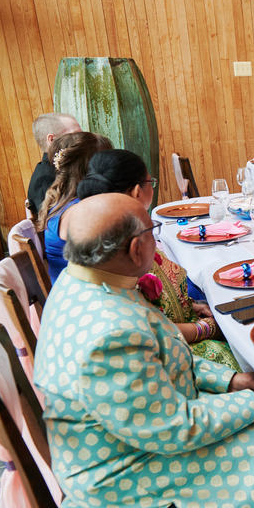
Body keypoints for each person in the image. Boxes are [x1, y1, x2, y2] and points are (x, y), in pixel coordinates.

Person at [34, 193, 254, 508]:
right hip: (126, 473)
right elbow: (176, 429)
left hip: (132, 438)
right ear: (137, 247)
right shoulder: (109, 333)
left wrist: (230, 381)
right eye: (153, 232)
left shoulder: (87, 284)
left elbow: (164, 343)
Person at [75, 150, 241, 372]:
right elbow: (147, 329)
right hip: (176, 351)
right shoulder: (121, 252)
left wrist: (191, 306)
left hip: (184, 328)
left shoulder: (108, 233)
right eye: (150, 181)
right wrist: (206, 328)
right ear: (136, 191)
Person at [38, 131, 113, 282]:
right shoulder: (79, 212)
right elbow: (105, 264)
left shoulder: (62, 200)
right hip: (77, 292)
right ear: (93, 170)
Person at [25, 113, 82, 216]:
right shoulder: (45, 178)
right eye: (75, 134)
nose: (83, 139)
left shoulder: (69, 166)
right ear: (52, 140)